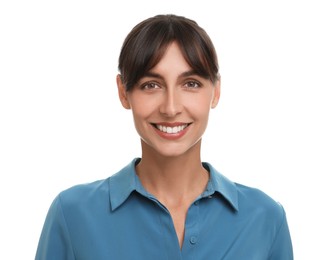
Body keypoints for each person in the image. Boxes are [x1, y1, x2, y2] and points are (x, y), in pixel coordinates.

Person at [35, 14, 293, 259]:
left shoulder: (266, 218)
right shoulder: (73, 215)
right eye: (151, 85)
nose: (171, 108)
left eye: (190, 83)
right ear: (123, 92)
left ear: (215, 91)